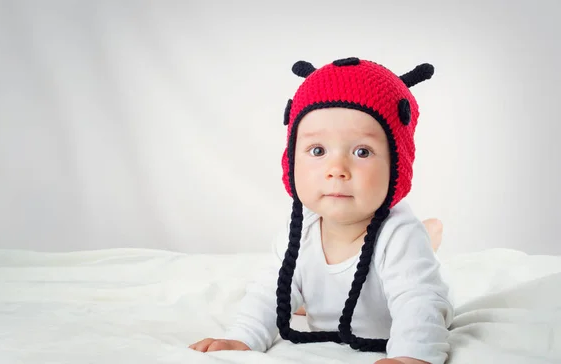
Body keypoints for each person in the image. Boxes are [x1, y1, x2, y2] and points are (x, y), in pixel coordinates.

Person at [189, 57, 454, 364]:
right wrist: (241, 338)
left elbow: (419, 303)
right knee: (292, 290)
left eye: (362, 152)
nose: (337, 169)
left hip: (403, 263)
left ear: (396, 164)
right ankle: (315, 295)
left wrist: (410, 356)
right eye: (318, 151)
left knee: (419, 255)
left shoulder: (400, 236)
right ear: (292, 161)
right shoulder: (297, 235)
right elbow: (268, 294)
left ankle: (429, 236)